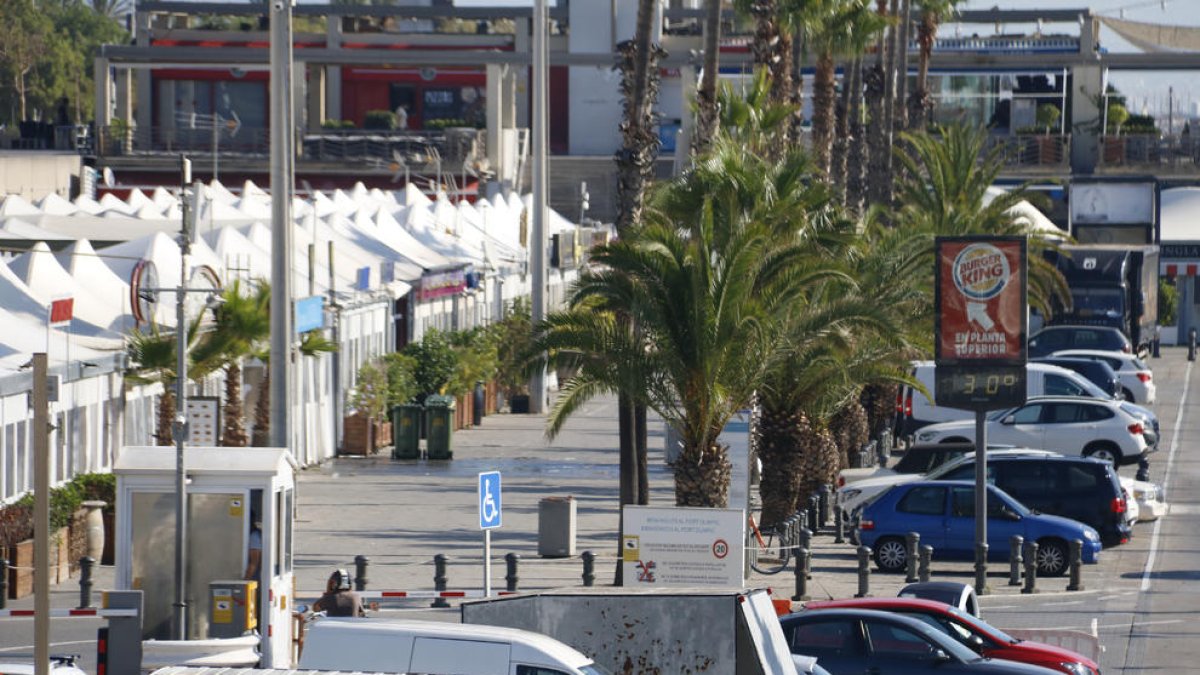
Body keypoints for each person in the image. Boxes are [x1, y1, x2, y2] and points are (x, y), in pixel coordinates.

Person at [244, 516, 262, 581]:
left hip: (255, 578)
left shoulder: (255, 536)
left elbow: (254, 563)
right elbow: (254, 563)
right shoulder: (255, 536)